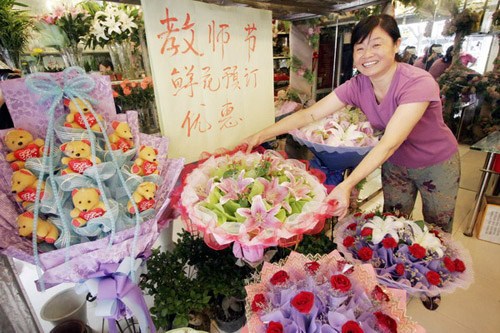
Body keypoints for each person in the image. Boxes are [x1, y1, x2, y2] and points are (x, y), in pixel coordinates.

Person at [242, 14, 459, 233]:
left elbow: (389, 142)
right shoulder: (358, 85)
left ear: (396, 45)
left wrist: (347, 185)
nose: (367, 55)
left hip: (436, 162)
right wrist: (261, 135)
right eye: (360, 48)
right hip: (395, 163)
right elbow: (310, 115)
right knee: (392, 224)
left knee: (437, 229)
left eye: (376, 45)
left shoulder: (417, 82)